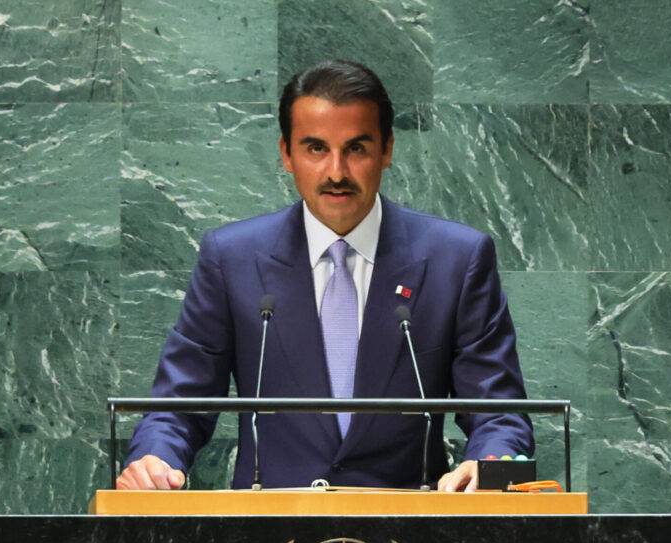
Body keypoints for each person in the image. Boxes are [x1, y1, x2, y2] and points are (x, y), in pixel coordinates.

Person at [119, 60, 532, 492]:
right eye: (316, 148)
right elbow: (179, 404)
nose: (336, 172)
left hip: (410, 538)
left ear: (387, 150)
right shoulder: (232, 259)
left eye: (356, 148)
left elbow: (498, 413)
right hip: (263, 537)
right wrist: (155, 459)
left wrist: (490, 466)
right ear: (286, 154)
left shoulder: (457, 260)